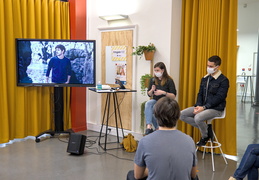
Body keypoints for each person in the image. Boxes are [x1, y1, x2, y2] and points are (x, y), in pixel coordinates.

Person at [127, 97, 198, 180]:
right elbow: (193, 174)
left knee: (131, 175)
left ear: (156, 115)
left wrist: (150, 170)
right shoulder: (189, 140)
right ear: (178, 115)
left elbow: (138, 175)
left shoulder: (144, 141)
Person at [180, 55, 229, 146]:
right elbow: (200, 94)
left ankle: (205, 136)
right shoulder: (205, 79)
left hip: (216, 109)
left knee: (198, 118)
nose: (208, 68)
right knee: (181, 115)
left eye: (211, 66)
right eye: (207, 65)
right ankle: (206, 128)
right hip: (203, 107)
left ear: (217, 67)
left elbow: (220, 97)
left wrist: (204, 107)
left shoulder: (223, 80)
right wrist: (198, 106)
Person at [144, 62, 177, 135]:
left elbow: (173, 96)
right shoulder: (153, 80)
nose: (156, 72)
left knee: (155, 108)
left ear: (163, 70)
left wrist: (163, 92)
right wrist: (152, 90)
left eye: (157, 70)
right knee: (148, 104)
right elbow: (149, 94)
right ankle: (149, 126)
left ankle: (157, 128)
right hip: (155, 100)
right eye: (155, 70)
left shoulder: (169, 80)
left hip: (165, 102)